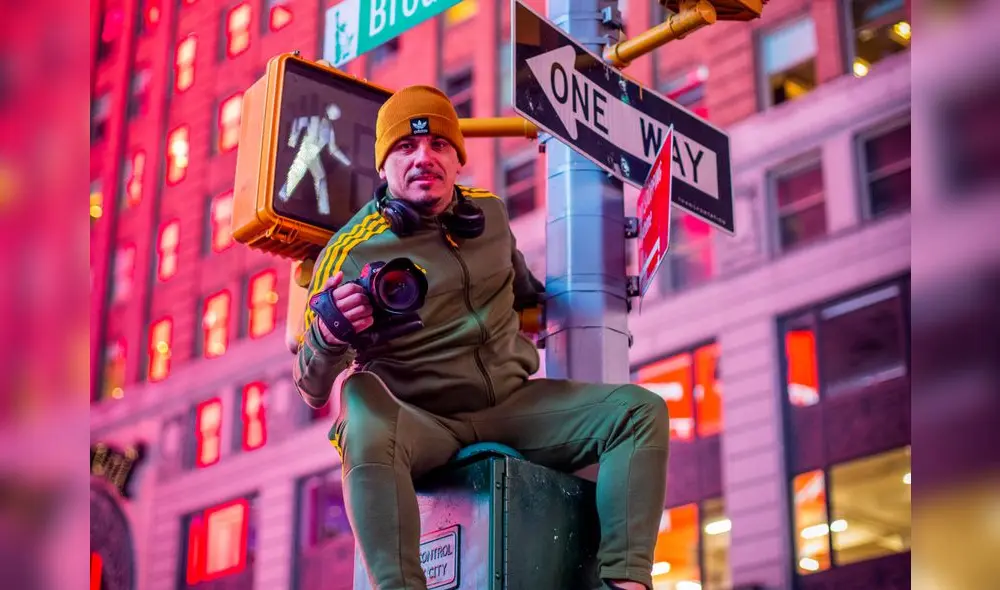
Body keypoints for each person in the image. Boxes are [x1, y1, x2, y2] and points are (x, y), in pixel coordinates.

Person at [293, 85, 670, 590]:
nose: (424, 157)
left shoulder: (489, 215)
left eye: (439, 145)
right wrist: (329, 331)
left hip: (510, 406)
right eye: (405, 147)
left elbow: (526, 295)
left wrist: (597, 289)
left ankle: (625, 582)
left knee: (639, 412)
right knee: (356, 396)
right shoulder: (349, 252)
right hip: (419, 423)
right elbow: (311, 386)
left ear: (457, 158)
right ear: (383, 167)